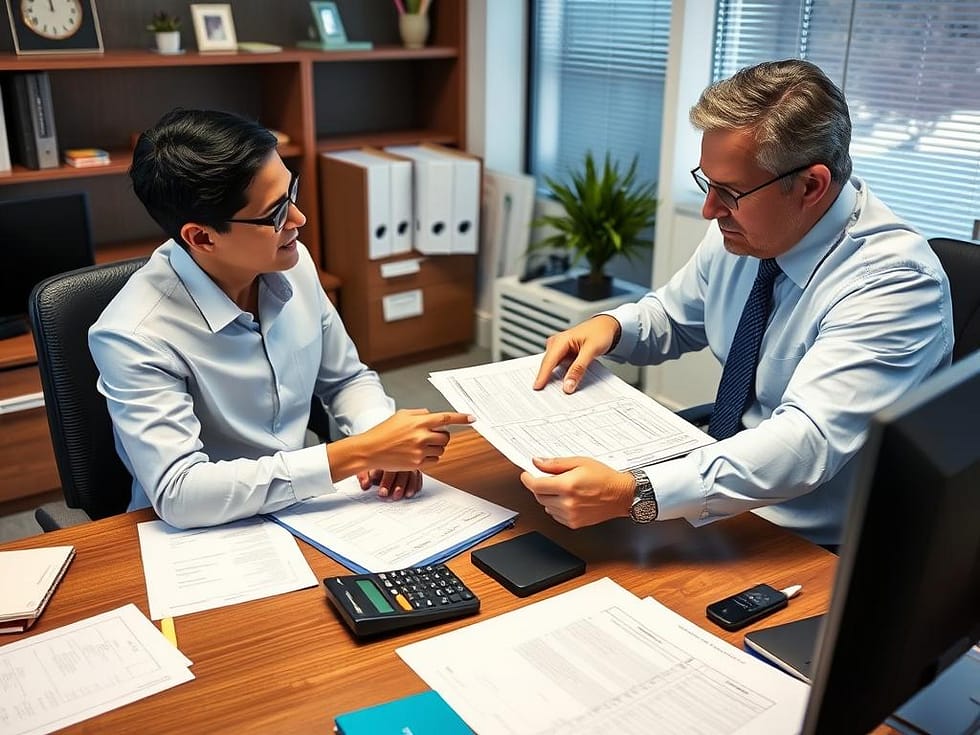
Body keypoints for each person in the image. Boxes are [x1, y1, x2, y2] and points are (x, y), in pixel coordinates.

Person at [521, 59, 953, 547]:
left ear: (811, 186)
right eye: (709, 183)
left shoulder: (895, 286)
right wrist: (612, 326)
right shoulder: (748, 230)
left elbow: (806, 443)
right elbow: (674, 315)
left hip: (806, 542)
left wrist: (636, 492)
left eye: (729, 192)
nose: (710, 209)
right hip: (716, 491)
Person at [90, 108, 474, 529]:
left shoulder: (292, 263)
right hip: (210, 528)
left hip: (306, 501)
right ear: (201, 237)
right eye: (275, 214)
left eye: (292, 192)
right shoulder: (133, 334)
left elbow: (344, 379)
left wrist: (382, 436)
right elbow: (181, 492)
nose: (298, 219)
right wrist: (359, 452)